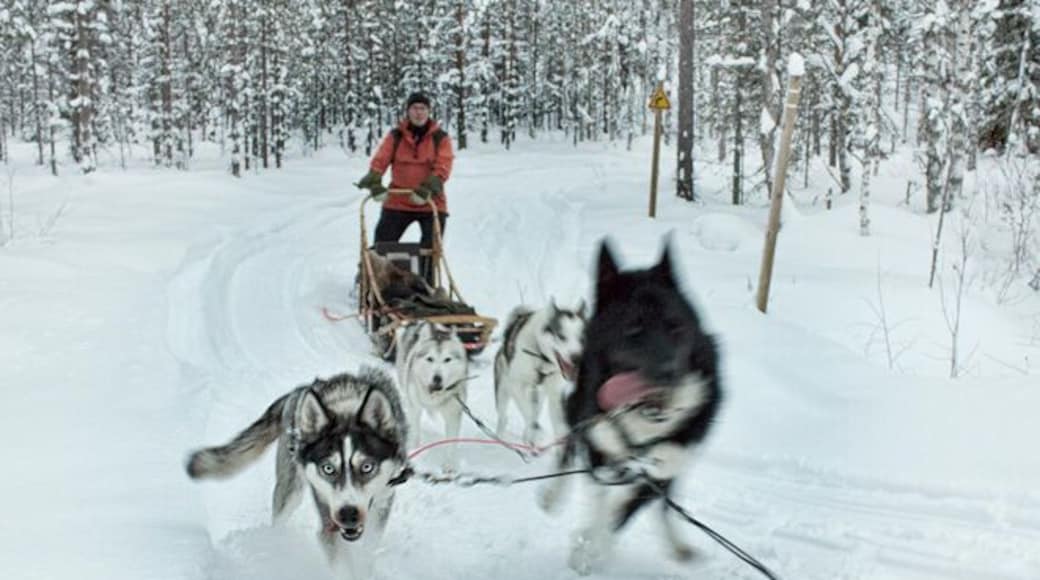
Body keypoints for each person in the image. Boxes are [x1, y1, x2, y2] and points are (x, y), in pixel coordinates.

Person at [357, 92, 455, 250]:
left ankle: (425, 275)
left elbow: (443, 166)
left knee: (430, 252)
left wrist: (428, 188)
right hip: (398, 200)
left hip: (431, 202)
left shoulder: (440, 138)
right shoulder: (396, 136)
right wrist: (374, 179)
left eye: (423, 108)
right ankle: (378, 273)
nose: (419, 112)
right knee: (382, 247)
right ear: (408, 111)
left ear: (428, 112)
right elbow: (380, 160)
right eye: (415, 108)